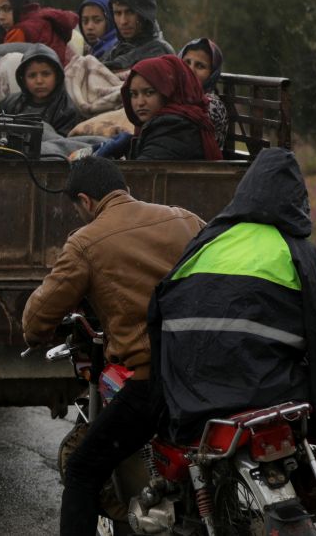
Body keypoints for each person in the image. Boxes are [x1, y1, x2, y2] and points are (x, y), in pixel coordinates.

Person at [22, 157, 205, 536]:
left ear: (86, 201)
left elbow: (39, 315)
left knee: (83, 468)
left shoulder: (86, 242)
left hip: (155, 379)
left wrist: (34, 334)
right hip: (209, 367)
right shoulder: (183, 218)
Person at [149, 148, 316, 479]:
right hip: (267, 393)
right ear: (298, 198)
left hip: (192, 397)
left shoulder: (207, 240)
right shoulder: (299, 251)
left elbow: (158, 311)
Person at [121, 55, 222, 160]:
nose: (140, 102)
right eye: (134, 94)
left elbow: (140, 172)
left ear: (168, 91)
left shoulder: (176, 127)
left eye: (149, 93)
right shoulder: (157, 123)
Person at [0, 45, 82, 137]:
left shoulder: (67, 111)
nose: (39, 81)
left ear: (57, 77)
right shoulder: (9, 104)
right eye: (32, 75)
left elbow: (64, 145)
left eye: (46, 74)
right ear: (23, 80)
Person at [0, 0, 78, 65]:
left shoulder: (19, 31)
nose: (0, 17)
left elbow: (6, 66)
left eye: (7, 9)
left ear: (20, 5)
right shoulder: (44, 19)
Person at [101, 0, 174, 71]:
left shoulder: (160, 52)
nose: (123, 21)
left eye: (130, 12)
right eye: (118, 13)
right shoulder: (116, 49)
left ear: (144, 15)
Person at [179, 37, 229, 150]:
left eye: (200, 66)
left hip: (199, 166)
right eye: (186, 62)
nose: (190, 70)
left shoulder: (212, 105)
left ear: (212, 74)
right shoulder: (177, 96)